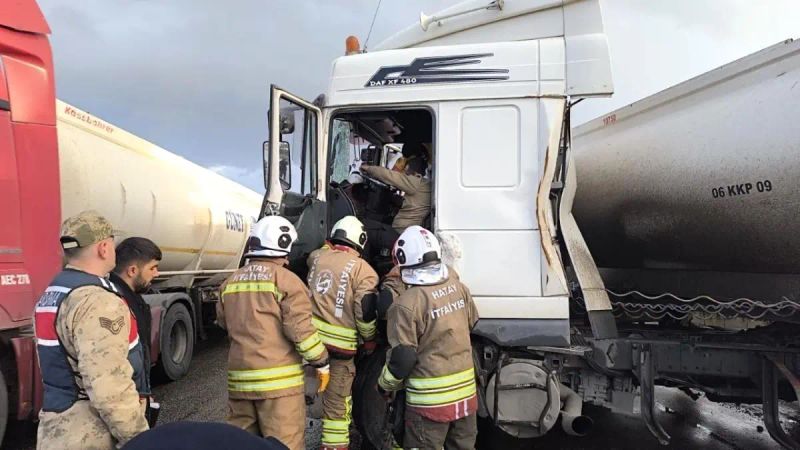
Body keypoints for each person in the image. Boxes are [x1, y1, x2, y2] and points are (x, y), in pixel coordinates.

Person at [34, 210, 149, 449]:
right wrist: (140, 438)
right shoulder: (98, 302)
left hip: (57, 428)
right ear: (103, 248)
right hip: (90, 434)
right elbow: (109, 387)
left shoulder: (54, 292)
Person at [217, 215, 329, 450]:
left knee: (239, 445)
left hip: (240, 384)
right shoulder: (287, 281)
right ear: (283, 245)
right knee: (283, 444)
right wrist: (321, 360)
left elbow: (224, 323)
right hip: (279, 388)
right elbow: (300, 330)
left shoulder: (230, 282)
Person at [377, 226, 479, 450]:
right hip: (465, 399)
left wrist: (384, 385)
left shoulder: (405, 305)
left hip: (430, 406)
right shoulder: (458, 287)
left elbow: (402, 359)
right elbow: (472, 322)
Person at [306, 216, 379, 450]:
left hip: (309, 346)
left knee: (299, 400)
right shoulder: (364, 271)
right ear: (360, 242)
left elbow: (321, 250)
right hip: (340, 352)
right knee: (337, 407)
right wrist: (369, 340)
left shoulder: (316, 258)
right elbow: (365, 312)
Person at [110, 237, 162, 425]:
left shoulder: (131, 299)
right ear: (132, 270)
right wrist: (139, 395)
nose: (156, 274)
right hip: (126, 404)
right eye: (152, 268)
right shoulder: (115, 304)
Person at [360, 142, 432, 234]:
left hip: (400, 231)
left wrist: (368, 168)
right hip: (405, 229)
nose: (406, 167)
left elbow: (389, 176)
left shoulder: (417, 183)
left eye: (409, 163)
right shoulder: (424, 184)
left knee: (362, 225)